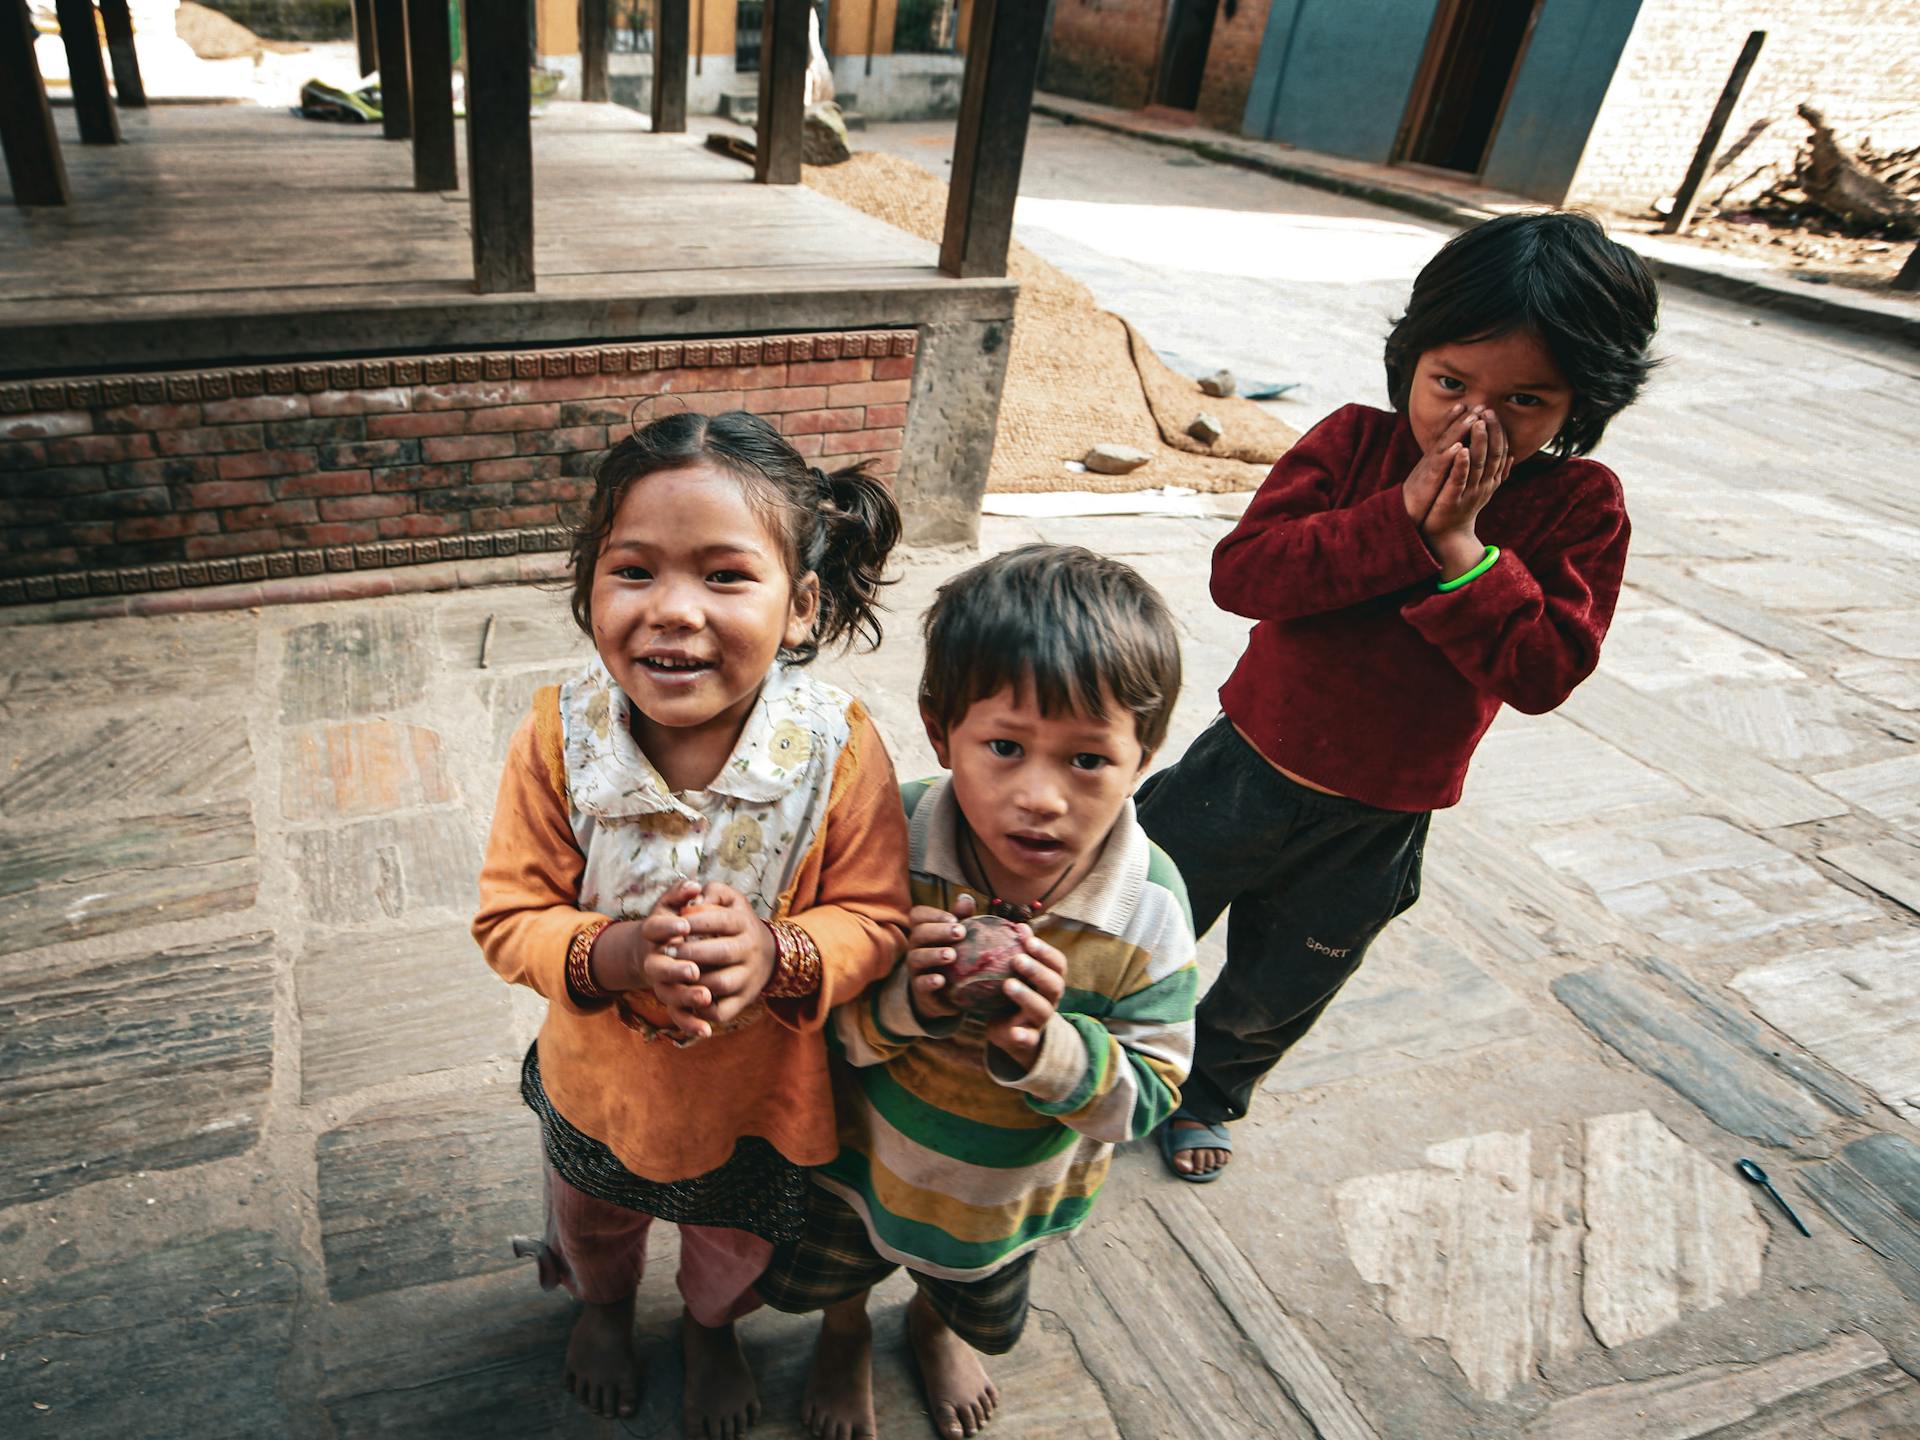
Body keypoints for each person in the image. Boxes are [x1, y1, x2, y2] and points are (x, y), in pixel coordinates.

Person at [1138, 209, 1661, 1182]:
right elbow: (1245, 576)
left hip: (1382, 814)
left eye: (1524, 403)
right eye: (1450, 383)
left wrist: (1463, 551)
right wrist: (1403, 524)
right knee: (1137, 921)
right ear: (1410, 356)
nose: (1474, 422)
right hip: (1246, 763)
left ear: (1579, 403)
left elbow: (1546, 670)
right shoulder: (1353, 447)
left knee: (1287, 978)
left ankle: (1208, 1092)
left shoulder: (1580, 505)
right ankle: (1099, 1066)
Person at [473, 409, 913, 1435]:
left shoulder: (836, 749)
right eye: (635, 571)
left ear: (800, 606)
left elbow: (878, 919)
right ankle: (605, 1309)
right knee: (593, 1219)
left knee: (732, 1250)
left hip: (760, 1099)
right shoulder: (557, 739)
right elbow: (509, 919)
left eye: (724, 576)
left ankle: (710, 1330)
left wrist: (780, 951)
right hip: (602, 1084)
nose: (673, 611)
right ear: (590, 587)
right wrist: (616, 953)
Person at [756, 544, 1198, 1440]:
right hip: (861, 1160)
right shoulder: (885, 837)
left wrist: (1047, 1049)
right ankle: (845, 1336)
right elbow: (808, 1011)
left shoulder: (1146, 910)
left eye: (1088, 761)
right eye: (1003, 747)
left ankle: (931, 1324)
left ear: (1143, 757)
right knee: (837, 1272)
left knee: (965, 1291)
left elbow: (1148, 1096)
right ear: (939, 728)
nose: (1039, 797)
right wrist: (903, 1005)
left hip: (999, 1196)